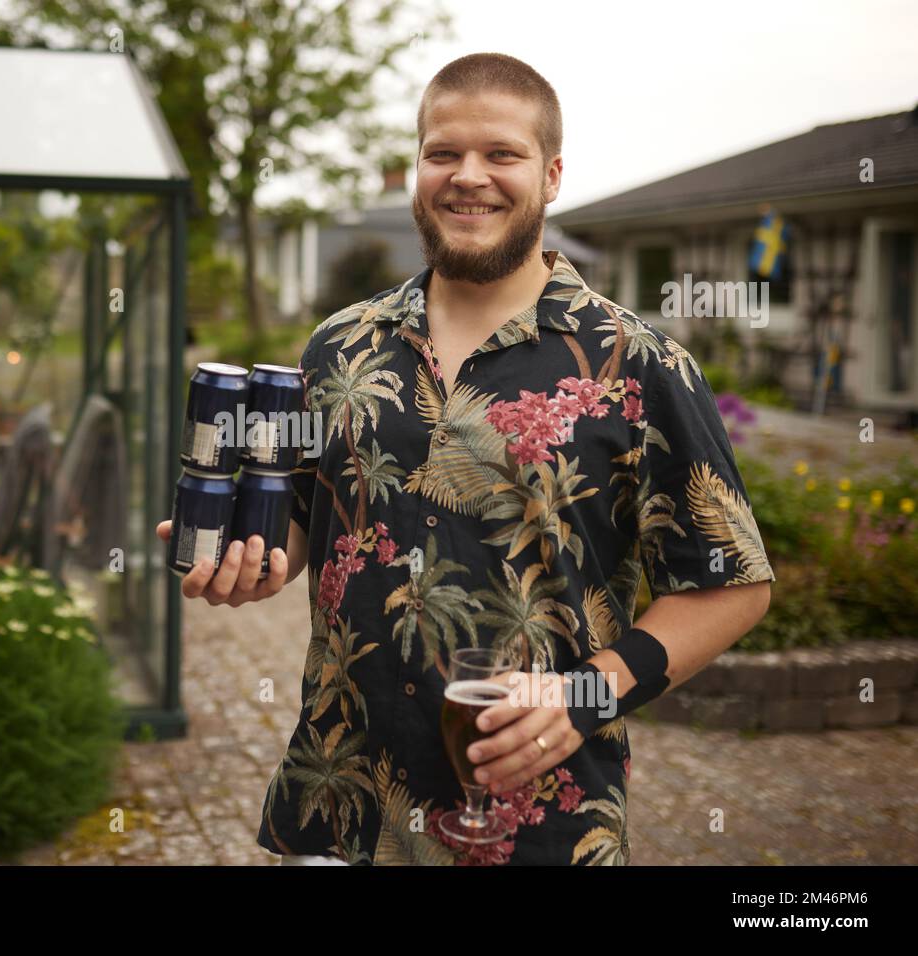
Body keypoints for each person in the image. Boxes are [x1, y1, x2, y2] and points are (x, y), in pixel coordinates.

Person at [158, 52, 774, 866]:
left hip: (536, 826)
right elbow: (307, 517)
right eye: (442, 153)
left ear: (551, 175)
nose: (467, 177)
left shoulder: (640, 364)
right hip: (338, 806)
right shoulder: (340, 345)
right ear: (416, 167)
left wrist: (583, 693)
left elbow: (733, 587)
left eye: (501, 155)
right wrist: (258, 563)